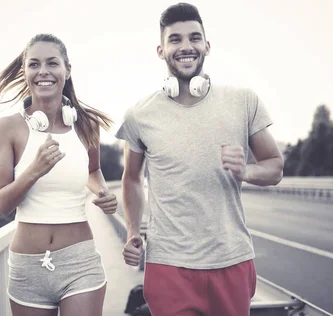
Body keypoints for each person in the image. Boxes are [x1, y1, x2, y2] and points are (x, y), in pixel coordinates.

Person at [115, 3, 284, 316]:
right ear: (160, 50)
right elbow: (132, 178)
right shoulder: (139, 115)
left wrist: (245, 170)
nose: (186, 46)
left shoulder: (243, 100)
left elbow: (274, 167)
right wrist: (132, 232)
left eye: (194, 38)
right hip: (168, 265)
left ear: (207, 45)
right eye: (175, 39)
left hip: (231, 260)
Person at [0, 33, 118, 316]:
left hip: (79, 262)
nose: (43, 71)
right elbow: (2, 204)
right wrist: (33, 171)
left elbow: (93, 171)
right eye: (34, 64)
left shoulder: (86, 125)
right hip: (27, 267)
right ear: (25, 72)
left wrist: (102, 192)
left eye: (52, 63)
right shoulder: (7, 128)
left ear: (67, 70)